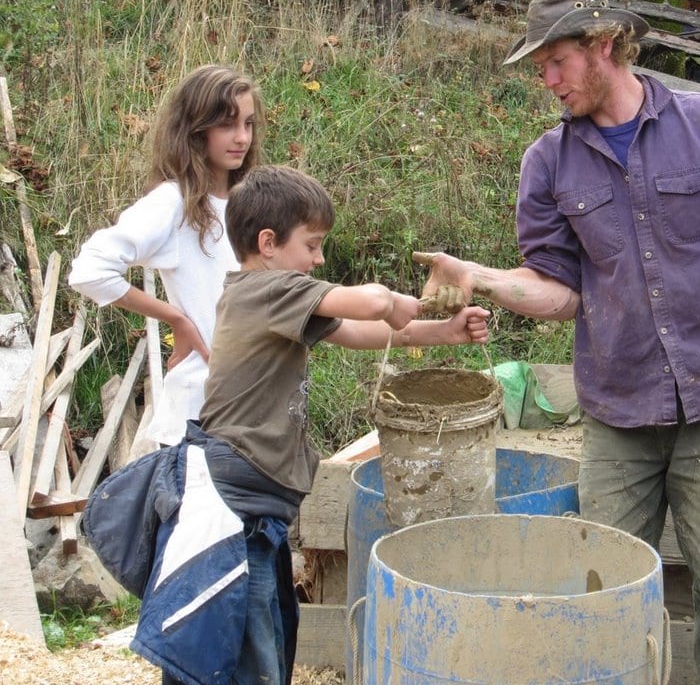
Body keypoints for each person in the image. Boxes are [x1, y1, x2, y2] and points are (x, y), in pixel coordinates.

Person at [414, 0, 700, 685]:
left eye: (556, 62)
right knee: (604, 586)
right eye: (539, 67)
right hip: (619, 404)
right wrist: (481, 276)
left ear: (604, 45)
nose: (547, 81)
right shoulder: (547, 163)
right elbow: (559, 295)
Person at [117, 164, 490, 685]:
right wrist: (412, 302)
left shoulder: (272, 296)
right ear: (268, 243)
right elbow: (374, 305)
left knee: (265, 639)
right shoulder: (264, 290)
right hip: (233, 508)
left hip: (258, 511)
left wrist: (443, 332)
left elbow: (360, 331)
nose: (318, 259)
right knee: (245, 655)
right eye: (312, 245)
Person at [68, 64, 263, 452]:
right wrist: (176, 318)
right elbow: (90, 269)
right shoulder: (175, 203)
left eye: (249, 123)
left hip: (255, 410)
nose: (241, 137)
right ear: (195, 129)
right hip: (200, 415)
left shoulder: (253, 202)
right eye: (227, 125)